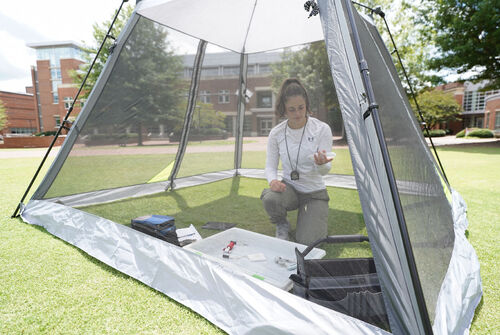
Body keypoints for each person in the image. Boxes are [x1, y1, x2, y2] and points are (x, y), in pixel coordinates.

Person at [261, 78, 334, 245]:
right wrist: (272, 181)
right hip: (290, 189)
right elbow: (270, 165)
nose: (298, 114)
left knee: (307, 242)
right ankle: (281, 223)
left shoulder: (322, 129)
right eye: (292, 110)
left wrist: (321, 164)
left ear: (307, 104)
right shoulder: (276, 133)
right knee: (270, 198)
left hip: (314, 194)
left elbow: (325, 171)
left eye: (301, 108)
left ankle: (311, 218)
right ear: (284, 110)